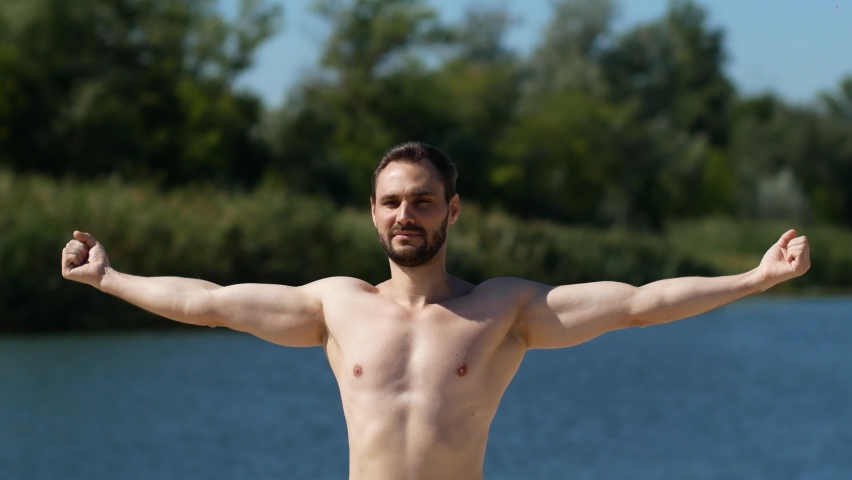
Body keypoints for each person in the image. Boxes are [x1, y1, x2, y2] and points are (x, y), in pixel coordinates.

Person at [61, 141, 810, 480]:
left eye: (422, 200)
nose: (405, 215)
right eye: (392, 202)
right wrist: (108, 277)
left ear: (452, 211)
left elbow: (641, 305)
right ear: (374, 216)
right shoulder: (335, 304)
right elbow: (208, 304)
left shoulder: (505, 309)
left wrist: (754, 277)